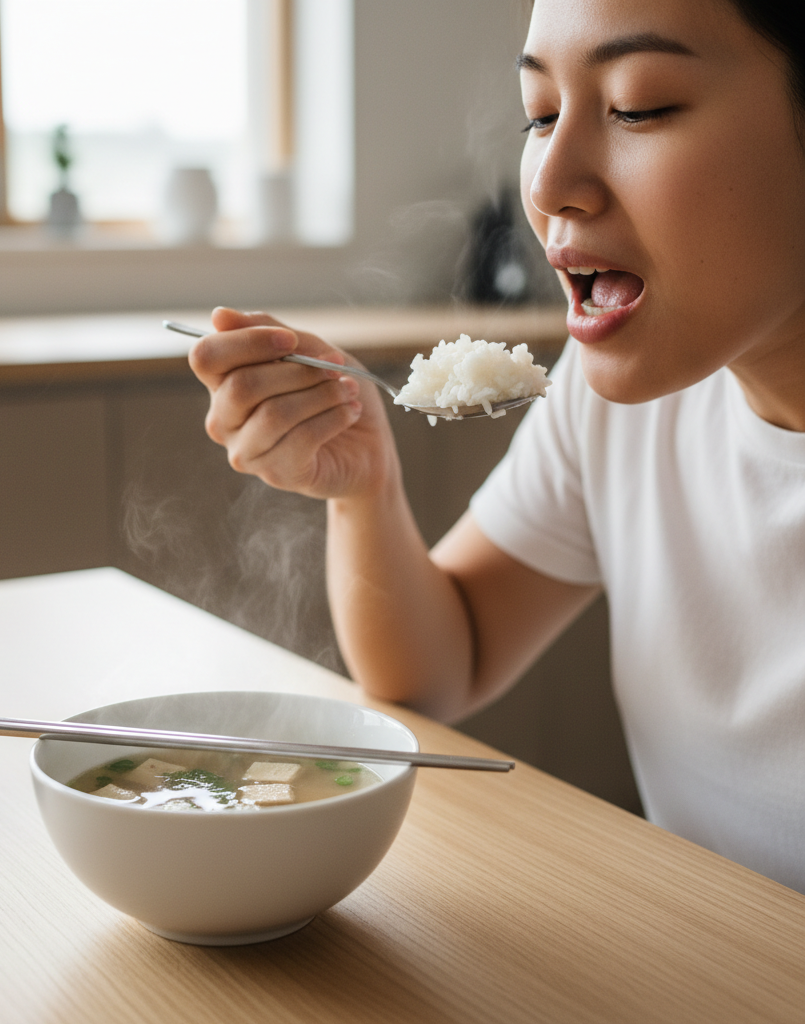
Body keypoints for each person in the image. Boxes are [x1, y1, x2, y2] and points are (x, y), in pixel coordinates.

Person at [188, 0, 805, 893]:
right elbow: (444, 665)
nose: (549, 184)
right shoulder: (620, 402)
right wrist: (364, 489)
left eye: (638, 106)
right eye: (540, 115)